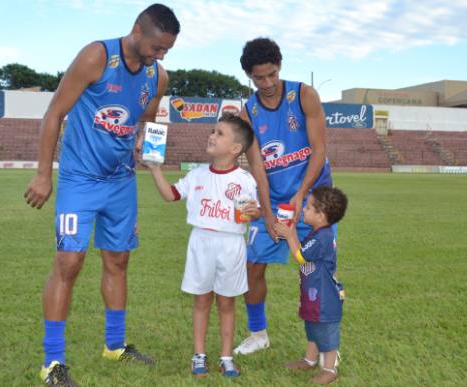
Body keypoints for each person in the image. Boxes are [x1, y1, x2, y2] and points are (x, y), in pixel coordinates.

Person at [23, 4, 180, 386]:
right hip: (80, 179)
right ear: (137, 30)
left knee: (118, 260)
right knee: (69, 263)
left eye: (167, 51)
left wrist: (145, 142)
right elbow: (54, 114)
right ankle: (53, 362)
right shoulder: (97, 56)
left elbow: (146, 117)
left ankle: (115, 346)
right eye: (157, 47)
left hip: (121, 181)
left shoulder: (157, 76)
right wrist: (45, 174)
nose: (161, 57)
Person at [234, 37, 334, 355]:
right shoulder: (247, 112)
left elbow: (319, 151)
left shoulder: (304, 94)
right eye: (258, 78)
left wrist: (301, 195)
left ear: (280, 67)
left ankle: (321, 345)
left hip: (313, 199)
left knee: (314, 272)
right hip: (275, 201)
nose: (267, 83)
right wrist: (266, 213)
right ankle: (258, 333)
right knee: (252, 265)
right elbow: (258, 168)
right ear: (249, 76)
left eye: (271, 74)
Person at [147, 113, 261, 378]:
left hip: (231, 244)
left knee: (227, 303)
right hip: (201, 242)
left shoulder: (244, 179)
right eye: (213, 130)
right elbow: (170, 195)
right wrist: (154, 168)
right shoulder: (197, 174)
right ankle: (199, 355)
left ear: (235, 149)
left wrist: (253, 212)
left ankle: (226, 357)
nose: (212, 135)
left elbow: (248, 213)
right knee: (201, 300)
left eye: (220, 133)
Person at [273, 186, 348, 385]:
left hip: (325, 299)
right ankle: (309, 359)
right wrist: (292, 231)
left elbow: (300, 256)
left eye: (308, 207)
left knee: (326, 333)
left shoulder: (323, 237)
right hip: (315, 295)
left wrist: (289, 235)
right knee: (313, 328)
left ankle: (329, 369)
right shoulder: (318, 233)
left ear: (321, 215)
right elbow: (304, 253)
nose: (304, 210)